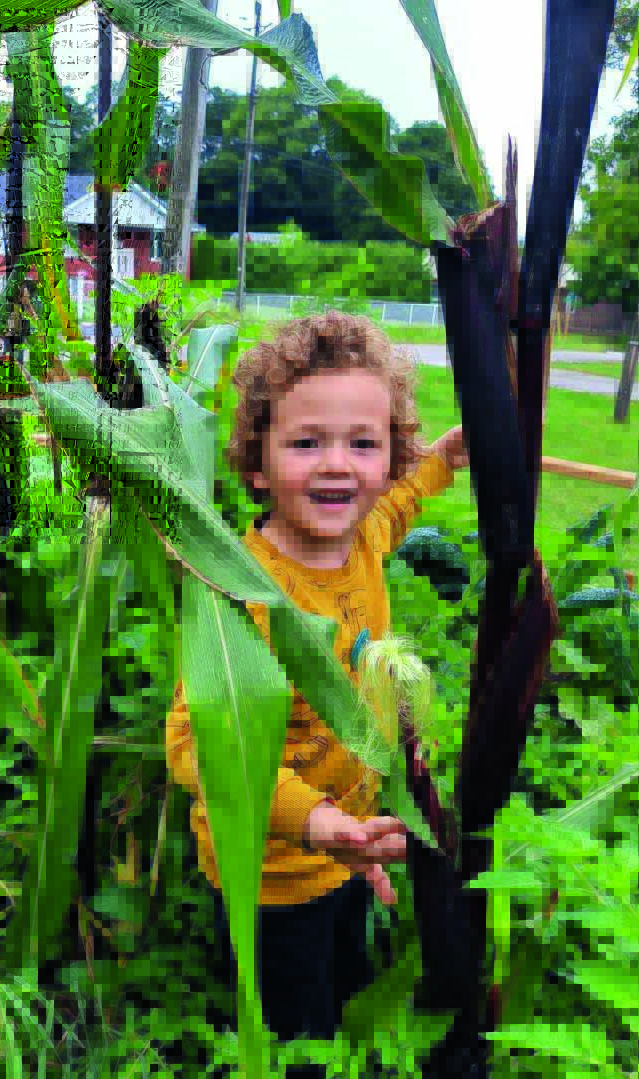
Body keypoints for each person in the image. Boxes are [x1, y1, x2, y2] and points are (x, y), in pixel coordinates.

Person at [164, 311, 469, 1075]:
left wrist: (444, 459)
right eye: (307, 443)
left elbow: (398, 503)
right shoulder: (246, 590)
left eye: (363, 443)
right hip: (274, 872)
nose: (338, 465)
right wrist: (318, 822)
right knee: (299, 1033)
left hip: (352, 845)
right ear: (258, 462)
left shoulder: (361, 533)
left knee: (347, 988)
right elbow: (196, 743)